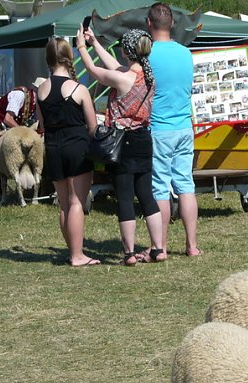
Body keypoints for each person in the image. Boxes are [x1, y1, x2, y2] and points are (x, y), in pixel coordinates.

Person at [78, 27, 166, 266]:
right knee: (146, 194)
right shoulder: (147, 76)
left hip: (123, 142)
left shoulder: (123, 78)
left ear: (127, 52)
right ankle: (158, 248)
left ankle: (128, 253)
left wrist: (82, 48)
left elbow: (95, 71)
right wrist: (95, 42)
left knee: (125, 197)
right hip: (143, 138)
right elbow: (114, 67)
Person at [35, 39, 99, 267]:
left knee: (64, 204)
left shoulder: (40, 90)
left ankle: (72, 250)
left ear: (48, 60)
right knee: (76, 203)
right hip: (76, 146)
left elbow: (41, 124)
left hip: (52, 147)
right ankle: (78, 255)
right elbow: (92, 125)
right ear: (68, 57)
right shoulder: (78, 89)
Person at [146, 2, 201, 257]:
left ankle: (162, 246)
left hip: (158, 128)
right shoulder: (185, 53)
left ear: (149, 24)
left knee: (159, 187)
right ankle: (191, 246)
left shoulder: (147, 55)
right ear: (172, 25)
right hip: (184, 127)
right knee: (185, 185)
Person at [0, 78, 46, 199]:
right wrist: (23, 131)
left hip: (10, 127)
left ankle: (23, 189)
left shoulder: (35, 103)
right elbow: (8, 119)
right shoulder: (20, 95)